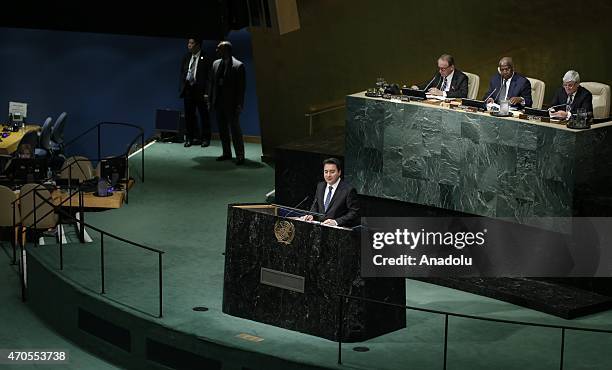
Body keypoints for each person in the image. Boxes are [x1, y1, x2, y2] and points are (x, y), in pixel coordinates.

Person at [208, 41, 246, 165]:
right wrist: (210, 100)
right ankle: (226, 153)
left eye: (219, 48)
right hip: (218, 103)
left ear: (226, 50)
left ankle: (240, 155)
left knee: (235, 130)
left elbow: (241, 88)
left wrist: (239, 104)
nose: (216, 50)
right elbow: (212, 84)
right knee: (222, 130)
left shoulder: (238, 66)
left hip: (232, 104)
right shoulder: (215, 64)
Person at [303, 158, 359, 227]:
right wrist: (311, 215)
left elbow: (354, 213)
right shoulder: (320, 186)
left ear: (339, 172)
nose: (328, 175)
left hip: (337, 232)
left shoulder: (348, 190)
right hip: (319, 229)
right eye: (326, 172)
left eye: (332, 172)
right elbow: (316, 205)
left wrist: (336, 222)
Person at [180, 38, 212, 148]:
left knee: (204, 116)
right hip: (188, 90)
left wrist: (207, 92)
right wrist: (182, 87)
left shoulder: (206, 57)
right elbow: (182, 73)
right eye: (188, 42)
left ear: (198, 45)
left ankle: (205, 139)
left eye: (191, 43)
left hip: (201, 92)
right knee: (189, 116)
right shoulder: (186, 57)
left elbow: (209, 78)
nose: (188, 45)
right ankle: (190, 138)